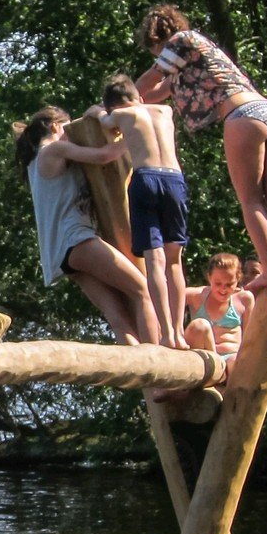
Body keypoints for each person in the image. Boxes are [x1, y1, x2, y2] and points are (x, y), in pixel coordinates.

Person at [134, 4, 267, 294]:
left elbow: (148, 82)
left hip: (243, 117)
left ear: (158, 40)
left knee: (251, 201)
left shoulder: (179, 41)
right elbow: (156, 94)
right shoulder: (197, 57)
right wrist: (135, 102)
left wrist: (118, 101)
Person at [13, 106, 157, 345]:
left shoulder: (35, 163)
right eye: (68, 128)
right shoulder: (54, 149)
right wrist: (136, 134)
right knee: (143, 291)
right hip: (77, 240)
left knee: (118, 317)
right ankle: (158, 367)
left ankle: (147, 382)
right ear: (55, 126)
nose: (72, 135)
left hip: (62, 256)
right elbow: (103, 155)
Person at [89, 75, 189, 349]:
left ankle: (167, 333)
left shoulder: (121, 114)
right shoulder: (165, 111)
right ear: (139, 97)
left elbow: (106, 124)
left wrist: (98, 113)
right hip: (174, 179)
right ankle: (180, 333)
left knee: (154, 261)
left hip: (145, 179)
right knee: (174, 262)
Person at [185, 253, 267, 483]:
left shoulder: (245, 299)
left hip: (239, 358)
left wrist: (255, 364)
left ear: (238, 280)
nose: (223, 289)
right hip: (211, 359)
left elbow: (250, 339)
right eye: (218, 283)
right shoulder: (197, 295)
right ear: (209, 277)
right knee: (225, 368)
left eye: (229, 284)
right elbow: (170, 294)